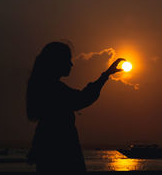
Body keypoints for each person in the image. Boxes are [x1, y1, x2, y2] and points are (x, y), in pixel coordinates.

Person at [26, 42, 125, 172]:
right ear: (56, 62)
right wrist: (105, 75)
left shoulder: (43, 87)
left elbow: (44, 125)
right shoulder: (54, 89)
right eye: (68, 60)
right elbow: (83, 98)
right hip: (63, 155)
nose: (71, 64)